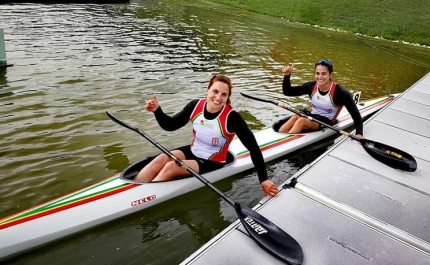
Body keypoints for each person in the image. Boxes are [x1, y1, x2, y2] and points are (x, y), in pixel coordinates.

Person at [135, 74, 278, 197]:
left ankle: (143, 198)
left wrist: (263, 179)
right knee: (161, 159)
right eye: (215, 91)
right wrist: (157, 110)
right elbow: (170, 126)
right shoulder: (195, 106)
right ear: (207, 90)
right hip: (193, 151)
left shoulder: (232, 117)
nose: (218, 97)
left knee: (170, 167)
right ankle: (134, 190)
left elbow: (253, 148)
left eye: (224, 94)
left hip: (213, 161)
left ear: (228, 97)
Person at [278, 59, 363, 139]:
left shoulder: (340, 92)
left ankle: (285, 142)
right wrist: (287, 76)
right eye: (317, 73)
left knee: (301, 121)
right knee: (295, 116)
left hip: (326, 122)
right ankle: (279, 137)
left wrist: (359, 133)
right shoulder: (310, 86)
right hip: (312, 116)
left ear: (330, 75)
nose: (320, 77)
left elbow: (355, 114)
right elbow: (288, 92)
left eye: (323, 74)